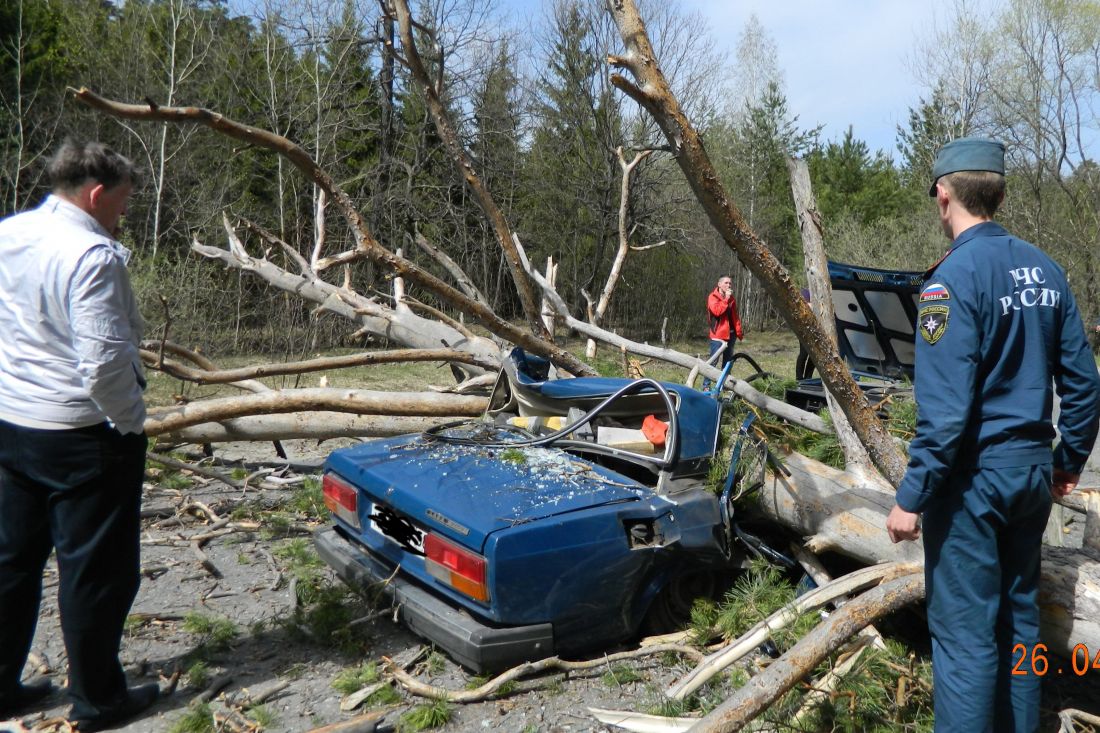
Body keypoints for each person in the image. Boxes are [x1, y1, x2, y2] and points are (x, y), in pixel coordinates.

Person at [885, 138, 1100, 732]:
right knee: (1020, 627)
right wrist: (1068, 459)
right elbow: (1084, 382)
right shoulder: (1047, 271)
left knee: (964, 639)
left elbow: (947, 415)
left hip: (972, 486)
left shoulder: (949, 282)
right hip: (1030, 478)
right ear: (999, 194)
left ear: (943, 194)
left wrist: (912, 497)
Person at [0, 140, 159, 729]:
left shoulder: (10, 232)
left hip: (13, 424)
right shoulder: (93, 254)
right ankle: (99, 698)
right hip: (81, 433)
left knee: (12, 561)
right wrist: (131, 421)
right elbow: (102, 362)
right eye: (120, 203)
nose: (122, 215)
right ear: (95, 194)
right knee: (96, 571)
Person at [704, 275, 743, 388]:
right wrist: (726, 299)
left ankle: (723, 386)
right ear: (719, 284)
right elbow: (717, 311)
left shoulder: (731, 299)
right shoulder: (713, 297)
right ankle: (706, 386)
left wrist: (738, 331)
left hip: (731, 334)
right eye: (726, 283)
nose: (729, 285)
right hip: (718, 335)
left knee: (727, 363)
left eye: (730, 283)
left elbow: (735, 316)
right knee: (713, 361)